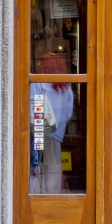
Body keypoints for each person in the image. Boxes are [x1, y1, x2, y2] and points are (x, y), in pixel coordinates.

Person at [30, 52, 75, 194]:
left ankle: (36, 197)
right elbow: (68, 113)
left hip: (38, 133)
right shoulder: (66, 87)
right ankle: (52, 200)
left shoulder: (38, 83)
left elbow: (32, 110)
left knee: (36, 168)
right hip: (55, 136)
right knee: (53, 172)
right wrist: (58, 125)